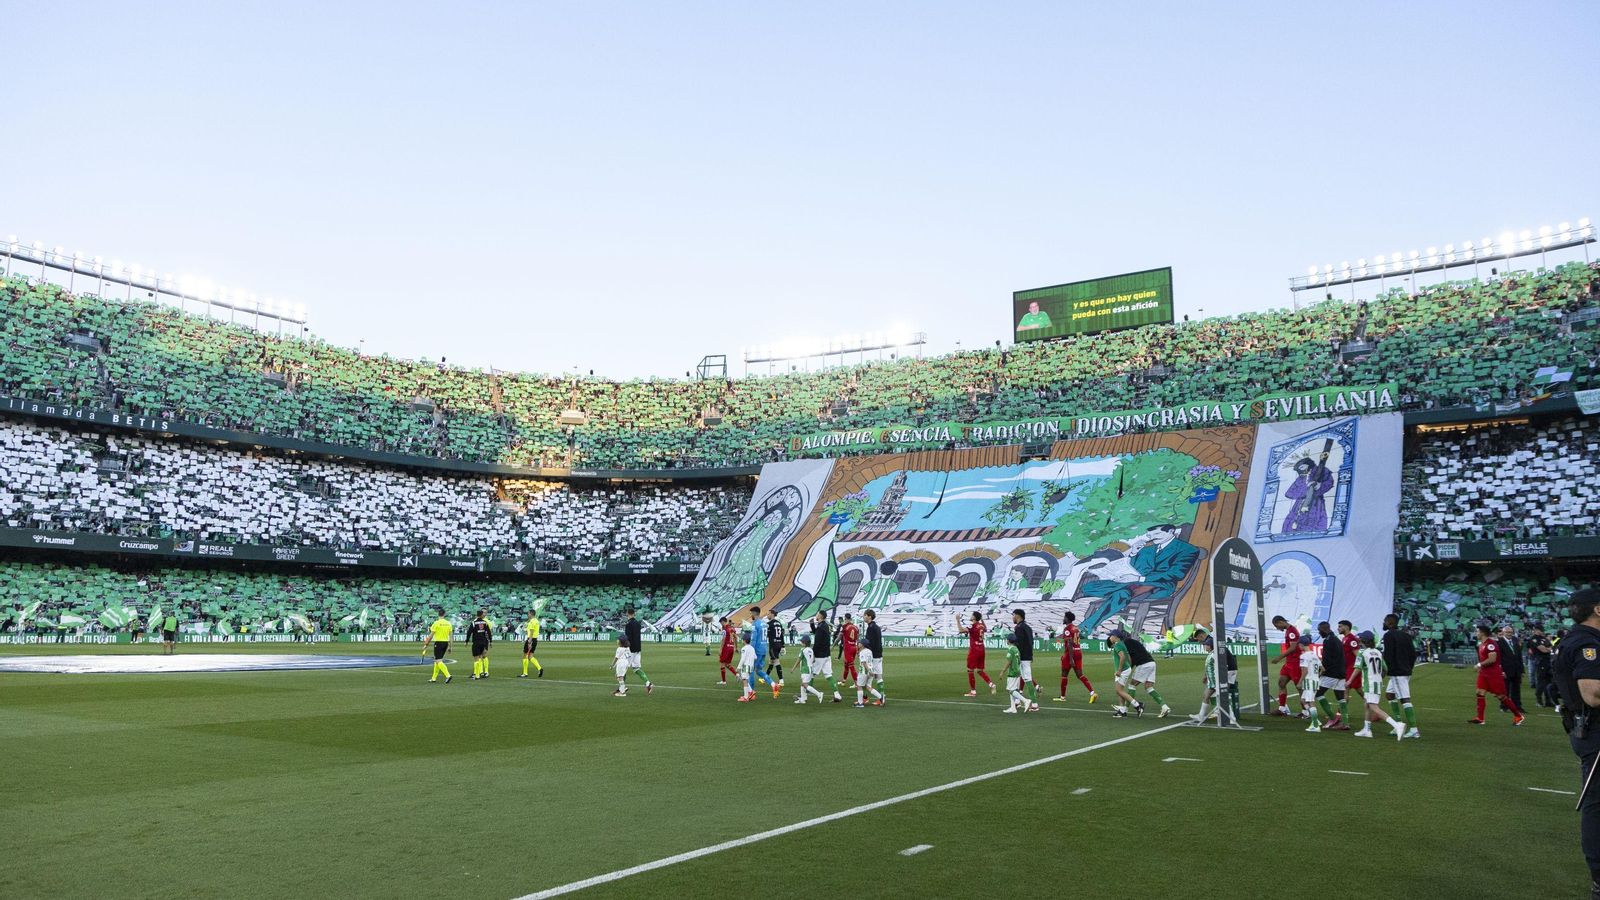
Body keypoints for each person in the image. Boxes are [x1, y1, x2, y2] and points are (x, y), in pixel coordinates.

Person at [1551, 587, 1600, 896]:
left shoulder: (1577, 639)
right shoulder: (1586, 643)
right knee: (1597, 805)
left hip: (1585, 729)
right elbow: (1592, 693)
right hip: (1596, 734)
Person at [1351, 631, 1405, 741]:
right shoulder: (1378, 652)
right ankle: (1367, 730)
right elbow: (1385, 668)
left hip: (1370, 684)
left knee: (1373, 706)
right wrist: (1379, 677)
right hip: (1377, 682)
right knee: (1367, 704)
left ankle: (1397, 725)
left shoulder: (1362, 652)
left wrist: (1349, 680)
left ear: (1363, 641)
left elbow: (1358, 668)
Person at [1468, 623, 1524, 726]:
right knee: (1480, 692)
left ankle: (1518, 716)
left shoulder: (1491, 644)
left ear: (1482, 633)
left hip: (1493, 674)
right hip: (1484, 673)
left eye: (1477, 631)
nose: (1476, 633)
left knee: (1501, 696)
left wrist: (1479, 664)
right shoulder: (1482, 644)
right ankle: (1480, 718)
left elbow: (1492, 659)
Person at [1108, 629, 1168, 718]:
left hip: (1143, 664)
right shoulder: (1132, 641)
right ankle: (1164, 707)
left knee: (1132, 685)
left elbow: (1128, 658)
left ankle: (1126, 709)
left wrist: (1126, 670)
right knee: (1148, 687)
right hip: (1151, 663)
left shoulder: (1124, 644)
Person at [1381, 613, 1421, 739]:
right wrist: (1409, 667)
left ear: (1390, 623)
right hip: (1404, 670)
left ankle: (1414, 729)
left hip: (1397, 672)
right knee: (1389, 694)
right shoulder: (1406, 635)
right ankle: (1398, 724)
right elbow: (1413, 654)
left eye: (1385, 621)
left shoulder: (1388, 635)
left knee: (1404, 699)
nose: (1383, 623)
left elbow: (1388, 655)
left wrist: (1384, 671)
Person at [1191, 634, 1238, 723]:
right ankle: (1201, 716)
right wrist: (1206, 676)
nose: (1204, 646)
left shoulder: (1215, 655)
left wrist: (1221, 679)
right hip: (1214, 680)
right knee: (1207, 695)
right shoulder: (1212, 654)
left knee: (1223, 696)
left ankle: (1231, 717)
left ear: (1210, 646)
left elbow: (1223, 666)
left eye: (1206, 645)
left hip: (1219, 678)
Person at [1053, 610, 1097, 703]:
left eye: (1064, 617)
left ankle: (1062, 697)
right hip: (1078, 651)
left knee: (1064, 674)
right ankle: (1092, 693)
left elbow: (1069, 643)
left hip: (1070, 653)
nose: (1063, 619)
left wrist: (1071, 658)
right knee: (1080, 674)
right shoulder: (1076, 628)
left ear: (1067, 618)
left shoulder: (1067, 628)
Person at [1314, 621, 1350, 731]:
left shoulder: (1328, 641)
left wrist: (1321, 671)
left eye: (1319, 631)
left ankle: (1332, 718)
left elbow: (1327, 660)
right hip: (1341, 673)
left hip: (1331, 673)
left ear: (1323, 630)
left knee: (1318, 693)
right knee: (1340, 697)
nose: (1319, 633)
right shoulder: (1337, 640)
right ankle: (1345, 723)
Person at [1271, 615, 1305, 717]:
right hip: (1289, 663)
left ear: (1280, 622)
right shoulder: (1288, 631)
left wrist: (1279, 657)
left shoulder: (1292, 631)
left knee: (1299, 687)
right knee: (1281, 683)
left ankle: (1306, 711)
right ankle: (1282, 709)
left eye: (1277, 626)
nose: (1277, 628)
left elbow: (1293, 648)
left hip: (1295, 663)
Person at [957, 611, 996, 697]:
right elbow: (985, 628)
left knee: (970, 670)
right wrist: (982, 620)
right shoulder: (981, 625)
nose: (970, 616)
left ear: (974, 617)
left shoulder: (972, 626)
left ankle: (973, 691)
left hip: (974, 650)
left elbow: (961, 630)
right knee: (979, 670)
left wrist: (958, 620)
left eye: (972, 615)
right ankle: (991, 684)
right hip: (982, 649)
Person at [809, 611, 843, 703]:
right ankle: (837, 695)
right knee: (828, 675)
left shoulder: (821, 626)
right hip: (826, 654)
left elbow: (817, 642)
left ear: (820, 616)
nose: (816, 615)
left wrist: (813, 654)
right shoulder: (824, 625)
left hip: (820, 655)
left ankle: (806, 691)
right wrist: (812, 625)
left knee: (811, 673)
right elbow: (816, 633)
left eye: (817, 614)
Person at [621, 608, 655, 694]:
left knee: (623, 668)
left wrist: (624, 646)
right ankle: (648, 683)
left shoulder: (628, 624)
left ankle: (622, 688)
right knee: (636, 668)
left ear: (627, 613)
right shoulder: (637, 623)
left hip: (630, 649)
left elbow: (628, 638)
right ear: (634, 613)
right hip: (638, 649)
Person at [1011, 609, 1040, 711]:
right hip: (1027, 656)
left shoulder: (1019, 628)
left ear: (1018, 616)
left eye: (1013, 615)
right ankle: (1017, 702)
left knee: (1027, 680)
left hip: (1022, 657)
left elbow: (1019, 644)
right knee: (1020, 679)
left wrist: (1016, 657)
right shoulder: (1028, 627)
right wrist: (1031, 655)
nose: (1012, 617)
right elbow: (1031, 642)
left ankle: (1034, 704)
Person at [746, 605, 777, 698]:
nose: (751, 615)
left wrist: (750, 651)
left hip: (757, 650)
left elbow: (753, 639)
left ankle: (751, 692)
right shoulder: (764, 623)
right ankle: (773, 684)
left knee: (750, 670)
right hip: (764, 649)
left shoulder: (755, 624)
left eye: (751, 613)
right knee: (759, 670)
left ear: (754, 613)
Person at [1297, 634, 1323, 733]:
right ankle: (1315, 719)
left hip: (1309, 681)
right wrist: (1316, 676)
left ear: (1301, 644)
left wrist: (1300, 682)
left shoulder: (1303, 656)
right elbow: (1322, 669)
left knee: (1311, 702)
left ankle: (1315, 725)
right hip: (1315, 681)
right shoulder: (1314, 655)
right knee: (1303, 700)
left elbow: (1305, 671)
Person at [792, 635, 829, 705]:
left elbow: (799, 660)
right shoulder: (811, 650)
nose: (801, 642)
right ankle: (803, 699)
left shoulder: (803, 650)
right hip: (810, 669)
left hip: (805, 669)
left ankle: (819, 694)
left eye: (802, 641)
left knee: (804, 684)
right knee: (802, 684)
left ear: (804, 643)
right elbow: (813, 660)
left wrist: (793, 668)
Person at [1499, 624, 1526, 715]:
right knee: (1505, 690)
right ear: (1503, 633)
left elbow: (1519, 656)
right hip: (1506, 670)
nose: (1509, 634)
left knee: (1516, 690)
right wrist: (1501, 671)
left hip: (1516, 669)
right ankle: (1504, 706)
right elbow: (1498, 658)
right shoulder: (1499, 642)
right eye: (1507, 632)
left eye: (1511, 632)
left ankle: (1517, 706)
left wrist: (1522, 670)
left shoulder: (1515, 640)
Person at [1529, 623, 1558, 708]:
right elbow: (1543, 650)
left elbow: (1552, 648)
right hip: (1540, 662)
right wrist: (1548, 649)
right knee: (1541, 681)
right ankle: (1539, 700)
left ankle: (1548, 700)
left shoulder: (1544, 638)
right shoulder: (1534, 639)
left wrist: (1548, 649)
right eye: (1540, 630)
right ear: (1536, 630)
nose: (1541, 631)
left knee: (1549, 681)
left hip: (1548, 661)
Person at [1001, 635, 1030, 714]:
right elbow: (1019, 660)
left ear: (1009, 641)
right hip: (1017, 671)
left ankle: (1025, 701)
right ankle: (1013, 708)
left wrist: (1003, 671)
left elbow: (1009, 662)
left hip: (1013, 672)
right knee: (1013, 689)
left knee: (1011, 690)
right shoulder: (1016, 649)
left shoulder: (1011, 650)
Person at [422, 610, 453, 684]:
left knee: (438, 661)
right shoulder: (448, 623)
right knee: (437, 660)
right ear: (444, 614)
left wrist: (426, 644)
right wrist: (450, 647)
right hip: (445, 643)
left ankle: (448, 675)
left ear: (438, 614)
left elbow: (431, 635)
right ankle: (434, 678)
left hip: (438, 643)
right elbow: (451, 636)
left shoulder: (436, 623)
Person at [862, 609, 886, 703]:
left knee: (866, 677)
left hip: (873, 656)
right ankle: (881, 696)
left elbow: (869, 643)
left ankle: (865, 698)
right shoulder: (876, 627)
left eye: (865, 615)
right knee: (879, 677)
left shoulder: (871, 628)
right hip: (879, 655)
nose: (864, 617)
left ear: (869, 616)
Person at [1337, 620, 1362, 697]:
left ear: (1346, 627)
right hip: (1347, 668)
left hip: (1352, 668)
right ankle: (1369, 701)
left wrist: (1357, 668)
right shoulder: (1345, 638)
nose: (1338, 628)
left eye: (1340, 626)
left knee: (1346, 688)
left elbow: (1358, 655)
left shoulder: (1351, 639)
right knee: (1358, 689)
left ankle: (1370, 701)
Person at [468, 609, 493, 680]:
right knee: (479, 656)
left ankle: (486, 672)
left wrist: (489, 641)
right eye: (483, 612)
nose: (484, 614)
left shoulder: (487, 622)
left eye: (485, 612)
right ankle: (479, 672)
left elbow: (489, 632)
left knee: (484, 656)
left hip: (484, 640)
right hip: (478, 640)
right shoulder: (476, 621)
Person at [736, 631, 760, 702]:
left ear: (744, 640)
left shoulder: (744, 648)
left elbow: (742, 659)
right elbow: (755, 657)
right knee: (745, 679)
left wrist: (738, 667)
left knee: (744, 681)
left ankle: (746, 697)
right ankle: (751, 692)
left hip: (745, 666)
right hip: (751, 666)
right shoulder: (752, 648)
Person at [520, 609, 543, 678]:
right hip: (535, 640)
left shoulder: (532, 621)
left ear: (531, 614)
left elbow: (532, 631)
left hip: (531, 639)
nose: (528, 615)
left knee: (525, 655)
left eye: (528, 613)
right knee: (530, 656)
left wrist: (529, 641)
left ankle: (525, 673)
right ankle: (539, 668)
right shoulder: (536, 621)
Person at [716, 616, 738, 685]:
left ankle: (723, 681)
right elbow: (736, 637)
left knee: (722, 663)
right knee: (727, 664)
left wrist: (720, 649)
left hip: (726, 648)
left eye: (721, 623)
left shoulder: (725, 629)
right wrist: (736, 647)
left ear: (723, 621)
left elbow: (723, 639)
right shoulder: (732, 628)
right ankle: (736, 674)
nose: (721, 624)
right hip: (731, 648)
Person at [839, 613, 860, 685]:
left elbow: (839, 637)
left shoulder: (844, 626)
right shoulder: (856, 627)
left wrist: (833, 645)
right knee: (846, 664)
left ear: (845, 618)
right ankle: (843, 681)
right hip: (854, 647)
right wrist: (858, 649)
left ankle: (857, 683)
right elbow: (858, 639)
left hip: (848, 649)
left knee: (851, 666)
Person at [766, 613, 786, 688]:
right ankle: (765, 677)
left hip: (773, 645)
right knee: (771, 661)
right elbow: (781, 635)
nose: (767, 615)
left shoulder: (769, 624)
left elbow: (767, 634)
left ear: (772, 614)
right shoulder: (779, 623)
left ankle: (781, 680)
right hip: (779, 644)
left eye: (768, 614)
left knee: (776, 661)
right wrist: (783, 645)